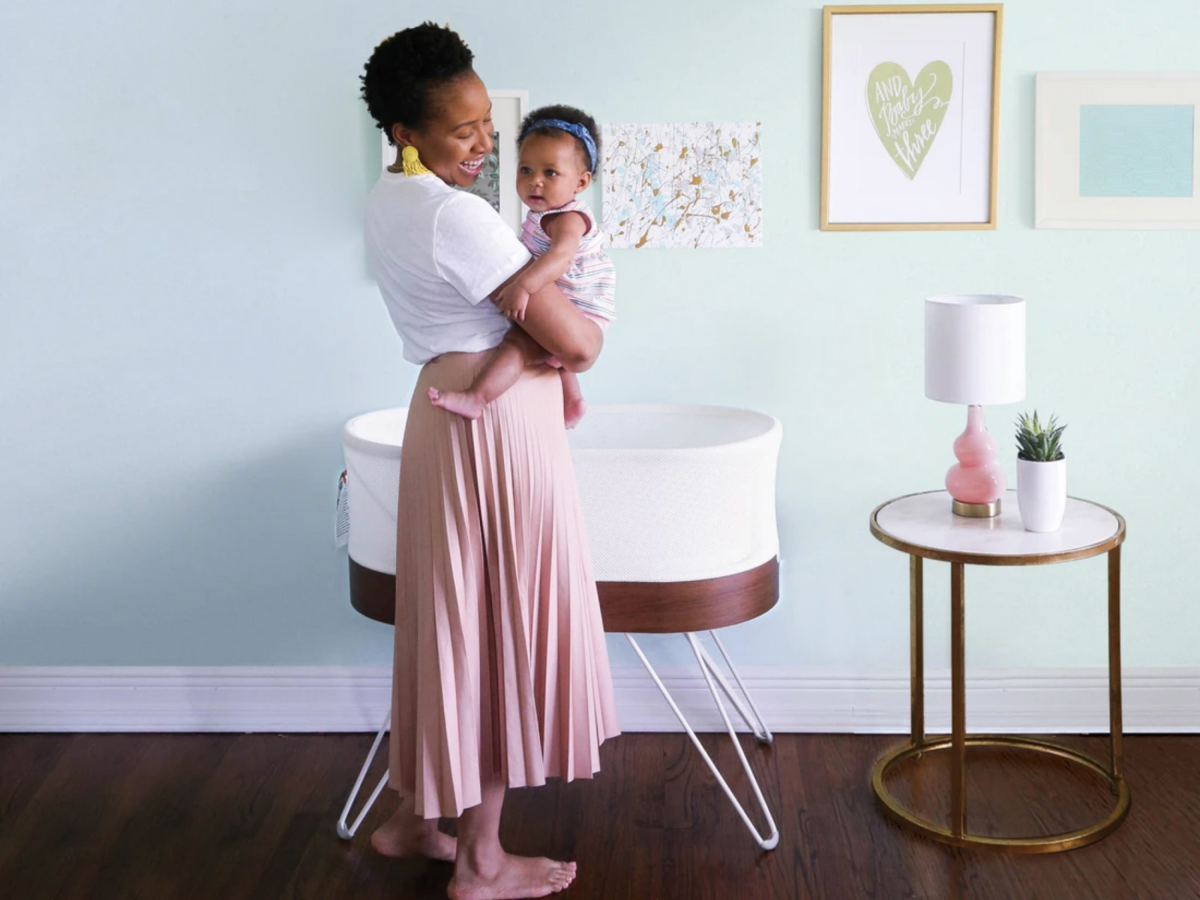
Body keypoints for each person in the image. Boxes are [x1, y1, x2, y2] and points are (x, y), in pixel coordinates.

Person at [359, 22, 620, 900]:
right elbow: (577, 342)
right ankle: (481, 860)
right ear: (405, 132)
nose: (481, 144)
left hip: (445, 408)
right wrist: (578, 335)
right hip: (494, 428)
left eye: (485, 125)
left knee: (454, 622)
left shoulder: (388, 200)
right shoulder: (458, 216)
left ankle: (412, 820)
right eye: (459, 129)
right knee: (499, 631)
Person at [427, 105, 615, 430]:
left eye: (550, 173)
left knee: (515, 345)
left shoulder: (568, 218)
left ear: (581, 181)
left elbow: (561, 258)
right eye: (526, 170)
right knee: (546, 353)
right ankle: (573, 401)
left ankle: (476, 397)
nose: (534, 182)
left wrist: (523, 286)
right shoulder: (545, 216)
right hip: (572, 304)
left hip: (580, 307)